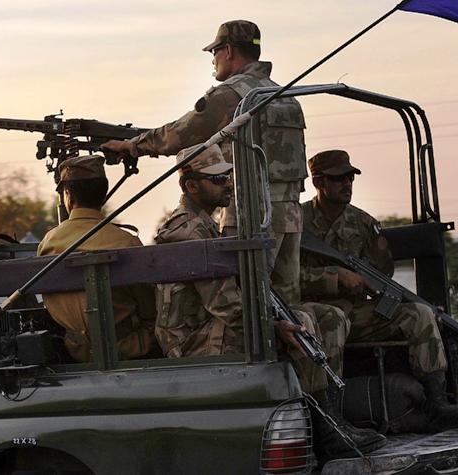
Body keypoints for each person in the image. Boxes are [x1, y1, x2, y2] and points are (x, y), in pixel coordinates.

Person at [155, 145, 384, 460]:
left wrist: (277, 317)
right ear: (190, 186)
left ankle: (330, 421)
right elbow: (225, 305)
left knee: (315, 318)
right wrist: (275, 324)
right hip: (190, 339)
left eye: (228, 176)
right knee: (298, 325)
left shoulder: (205, 224)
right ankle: (324, 430)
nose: (228, 183)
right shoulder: (187, 230)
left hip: (211, 327)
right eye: (217, 178)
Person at [102, 20, 307, 306]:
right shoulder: (283, 95)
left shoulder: (233, 94)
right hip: (290, 214)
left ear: (228, 50)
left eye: (214, 52)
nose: (213, 60)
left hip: (250, 213)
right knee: (287, 304)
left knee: (249, 301)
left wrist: (130, 146)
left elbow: (181, 133)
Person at [300, 149, 458, 432]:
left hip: (354, 313)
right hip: (309, 316)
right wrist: (335, 276)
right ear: (318, 182)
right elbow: (283, 277)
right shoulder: (297, 221)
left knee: (419, 314)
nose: (347, 184)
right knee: (333, 320)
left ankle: (438, 406)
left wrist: (401, 298)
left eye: (350, 178)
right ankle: (332, 422)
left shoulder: (363, 223)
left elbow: (380, 277)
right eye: (338, 178)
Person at [38, 154, 158, 363]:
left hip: (75, 351)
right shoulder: (126, 242)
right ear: (103, 196)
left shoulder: (49, 243)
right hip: (130, 350)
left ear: (69, 196)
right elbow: (149, 309)